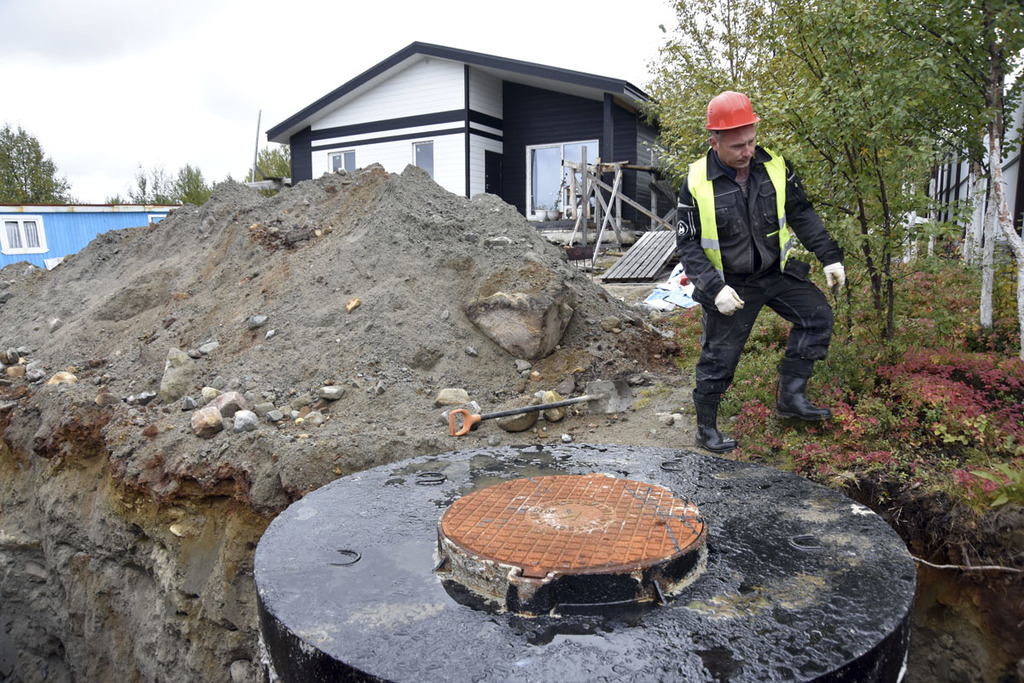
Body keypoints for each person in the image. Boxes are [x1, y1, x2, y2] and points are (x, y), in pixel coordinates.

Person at [675, 91, 845, 453]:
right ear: (714, 141)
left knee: (817, 317)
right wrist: (714, 288)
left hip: (775, 273)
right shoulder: (695, 182)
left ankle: (791, 400)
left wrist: (830, 256)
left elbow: (802, 214)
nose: (748, 152)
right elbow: (688, 245)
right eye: (738, 146)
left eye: (752, 141)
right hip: (730, 285)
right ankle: (706, 429)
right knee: (719, 357)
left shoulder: (775, 168)